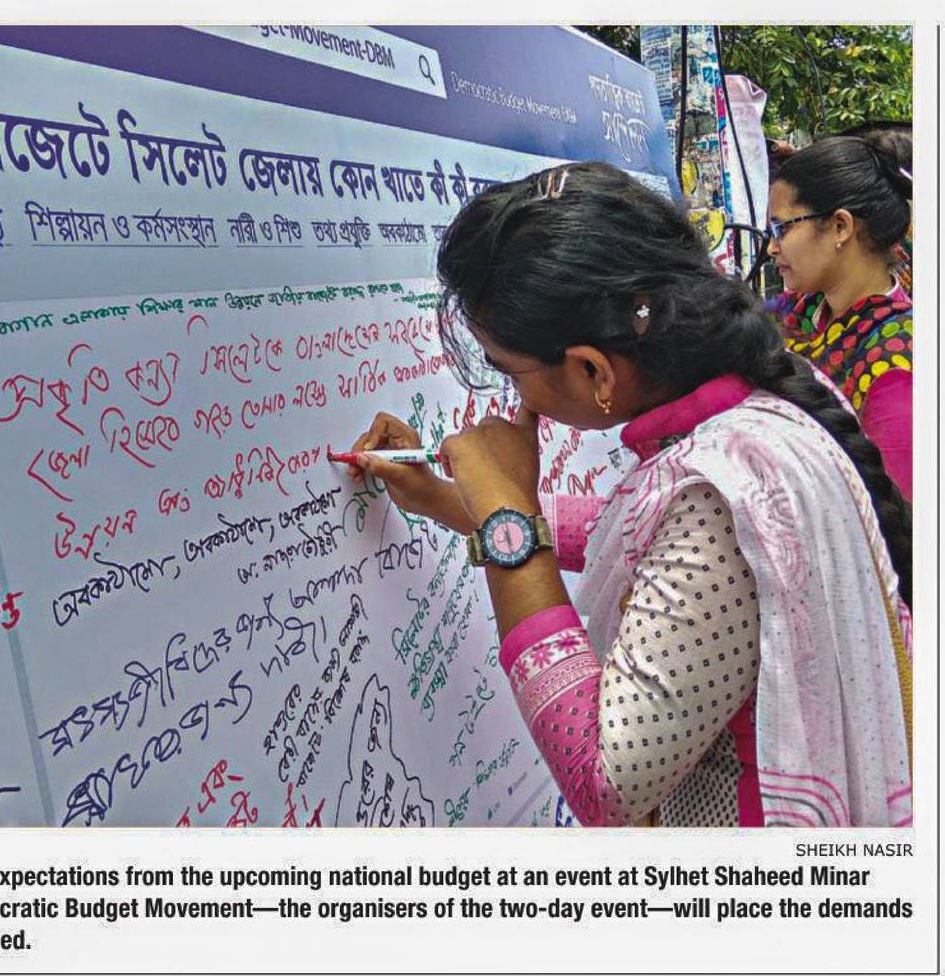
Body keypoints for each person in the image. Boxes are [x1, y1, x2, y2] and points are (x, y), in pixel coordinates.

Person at [349, 162, 912, 827]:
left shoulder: (716, 496)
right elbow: (635, 530)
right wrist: (450, 500)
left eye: (510, 373)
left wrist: (508, 519)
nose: (512, 399)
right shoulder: (742, 412)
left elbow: (605, 783)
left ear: (593, 370)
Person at [766, 135, 913, 501]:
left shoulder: (894, 365)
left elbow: (898, 516)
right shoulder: (798, 311)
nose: (771, 247)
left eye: (782, 229)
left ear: (840, 227)